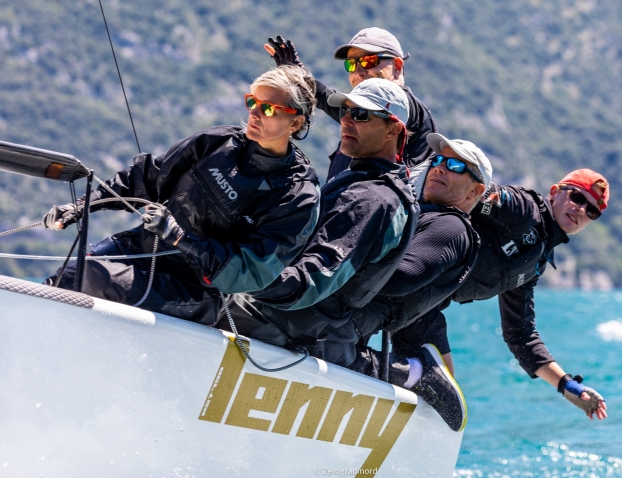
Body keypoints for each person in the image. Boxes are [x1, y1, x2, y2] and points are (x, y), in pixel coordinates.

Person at [42, 65, 321, 322]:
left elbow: (250, 270)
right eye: (252, 102)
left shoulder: (297, 193)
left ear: (295, 123)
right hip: (141, 249)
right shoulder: (216, 142)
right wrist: (82, 205)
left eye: (269, 109)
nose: (254, 113)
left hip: (191, 289)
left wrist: (181, 238)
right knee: (61, 282)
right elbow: (147, 178)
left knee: (95, 277)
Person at [213, 77, 419, 371]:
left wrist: (228, 271)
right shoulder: (368, 182)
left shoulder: (372, 199)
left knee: (187, 294)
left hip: (290, 329)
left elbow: (308, 283)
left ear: (392, 129)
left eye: (361, 115)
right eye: (345, 112)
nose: (346, 121)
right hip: (292, 320)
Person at [391, 168, 611, 421]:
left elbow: (521, 335)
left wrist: (566, 385)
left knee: (446, 399)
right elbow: (473, 191)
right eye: (577, 198)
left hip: (422, 309)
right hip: (403, 279)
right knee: (443, 392)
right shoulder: (522, 207)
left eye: (592, 210)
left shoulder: (533, 262)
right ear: (554, 192)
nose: (581, 210)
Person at [344, 133, 492, 432]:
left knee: (325, 349)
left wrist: (331, 263)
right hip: (349, 316)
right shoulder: (419, 212)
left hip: (353, 320)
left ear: (475, 190)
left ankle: (415, 372)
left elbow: (398, 279)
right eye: (437, 160)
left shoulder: (452, 226)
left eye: (455, 166)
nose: (439, 168)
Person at [265, 27, 437, 181]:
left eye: (368, 61)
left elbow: (378, 105)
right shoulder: (361, 121)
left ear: (397, 67)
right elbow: (332, 102)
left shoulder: (410, 108)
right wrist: (301, 78)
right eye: (351, 64)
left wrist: (305, 81)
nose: (359, 71)